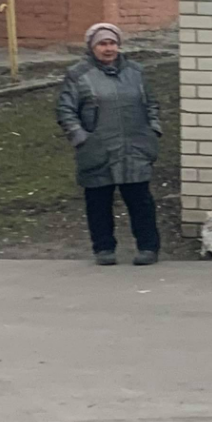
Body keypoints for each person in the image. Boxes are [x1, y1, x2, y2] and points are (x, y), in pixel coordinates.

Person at [57, 23, 163, 266]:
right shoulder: (78, 74)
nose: (108, 49)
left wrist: (153, 129)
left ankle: (148, 247)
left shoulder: (136, 72)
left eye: (112, 43)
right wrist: (81, 138)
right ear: (92, 47)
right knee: (98, 201)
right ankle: (104, 248)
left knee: (140, 200)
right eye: (102, 44)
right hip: (97, 149)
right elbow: (66, 111)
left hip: (135, 147)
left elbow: (151, 104)